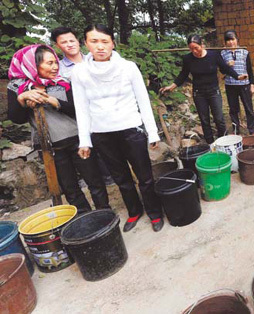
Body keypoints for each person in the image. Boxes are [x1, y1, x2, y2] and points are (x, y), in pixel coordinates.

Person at [72, 24, 163, 233]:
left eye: (105, 41)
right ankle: (134, 211)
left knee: (145, 175)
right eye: (94, 41)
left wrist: (152, 131)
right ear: (86, 44)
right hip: (102, 133)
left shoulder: (128, 67)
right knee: (120, 178)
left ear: (112, 43)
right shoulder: (80, 72)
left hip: (131, 129)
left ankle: (154, 212)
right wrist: (84, 140)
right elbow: (82, 108)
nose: (100, 47)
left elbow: (143, 100)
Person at [7, 44, 110, 214]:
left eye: (55, 62)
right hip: (50, 147)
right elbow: (17, 119)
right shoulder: (17, 88)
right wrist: (22, 98)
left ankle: (104, 212)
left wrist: (56, 103)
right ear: (33, 64)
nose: (55, 67)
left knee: (94, 180)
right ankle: (84, 217)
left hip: (77, 140)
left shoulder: (63, 82)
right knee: (69, 188)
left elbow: (79, 110)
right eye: (49, 63)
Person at [51, 26, 114, 186]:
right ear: (57, 46)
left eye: (72, 40)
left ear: (79, 41)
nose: (69, 44)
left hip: (102, 108)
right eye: (63, 42)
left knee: (107, 142)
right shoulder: (58, 69)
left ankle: (111, 174)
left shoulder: (94, 59)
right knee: (87, 142)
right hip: (77, 112)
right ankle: (99, 178)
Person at [160, 34, 247, 144]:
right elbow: (183, 74)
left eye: (196, 48)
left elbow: (225, 68)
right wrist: (172, 86)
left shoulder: (214, 55)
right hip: (199, 93)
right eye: (191, 49)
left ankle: (223, 142)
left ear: (202, 45)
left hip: (214, 91)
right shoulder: (188, 59)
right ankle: (210, 144)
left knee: (219, 118)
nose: (194, 51)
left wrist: (237, 76)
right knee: (204, 120)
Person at [220, 30, 254, 135]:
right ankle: (236, 130)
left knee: (248, 108)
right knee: (233, 108)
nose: (231, 42)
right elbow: (222, 71)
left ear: (237, 40)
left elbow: (249, 69)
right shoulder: (222, 54)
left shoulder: (244, 52)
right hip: (230, 85)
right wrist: (227, 65)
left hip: (244, 84)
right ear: (225, 42)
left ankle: (251, 129)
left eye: (233, 39)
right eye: (228, 40)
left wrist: (252, 84)